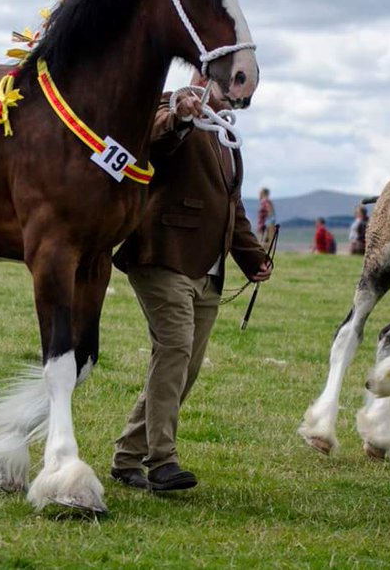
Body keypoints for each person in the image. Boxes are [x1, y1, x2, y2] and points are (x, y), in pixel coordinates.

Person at [110, 74, 272, 493]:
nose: (237, 99)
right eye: (232, 87)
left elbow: (230, 204)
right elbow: (155, 137)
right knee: (175, 354)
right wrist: (180, 116)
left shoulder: (226, 136)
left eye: (244, 95)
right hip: (163, 256)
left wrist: (252, 257)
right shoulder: (172, 104)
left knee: (184, 368)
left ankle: (127, 457)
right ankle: (162, 461)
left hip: (209, 271)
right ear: (203, 77)